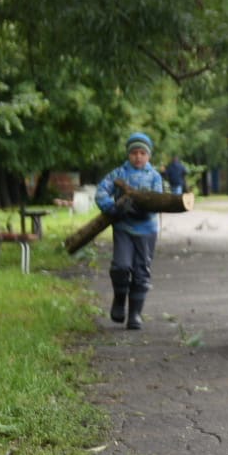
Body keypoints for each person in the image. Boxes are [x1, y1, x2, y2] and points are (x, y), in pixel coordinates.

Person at [95, 132, 164, 330]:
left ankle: (135, 313)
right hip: (124, 228)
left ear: (148, 155)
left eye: (142, 153)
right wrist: (113, 207)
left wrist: (145, 208)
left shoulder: (154, 177)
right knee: (121, 266)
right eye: (134, 153)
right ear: (128, 154)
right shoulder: (119, 174)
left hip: (147, 230)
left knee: (142, 271)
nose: (138, 157)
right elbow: (101, 192)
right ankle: (119, 299)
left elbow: (158, 200)